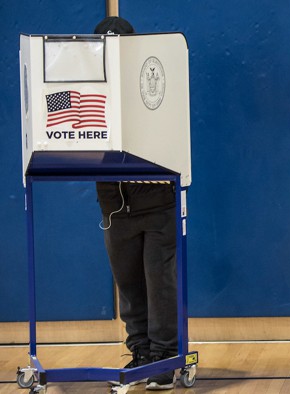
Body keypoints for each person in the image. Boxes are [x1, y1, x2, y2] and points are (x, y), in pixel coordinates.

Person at [94, 16, 179, 391]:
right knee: (129, 286)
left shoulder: (153, 82)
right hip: (114, 205)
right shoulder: (91, 91)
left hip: (156, 200)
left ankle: (163, 356)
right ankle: (141, 351)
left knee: (159, 285)